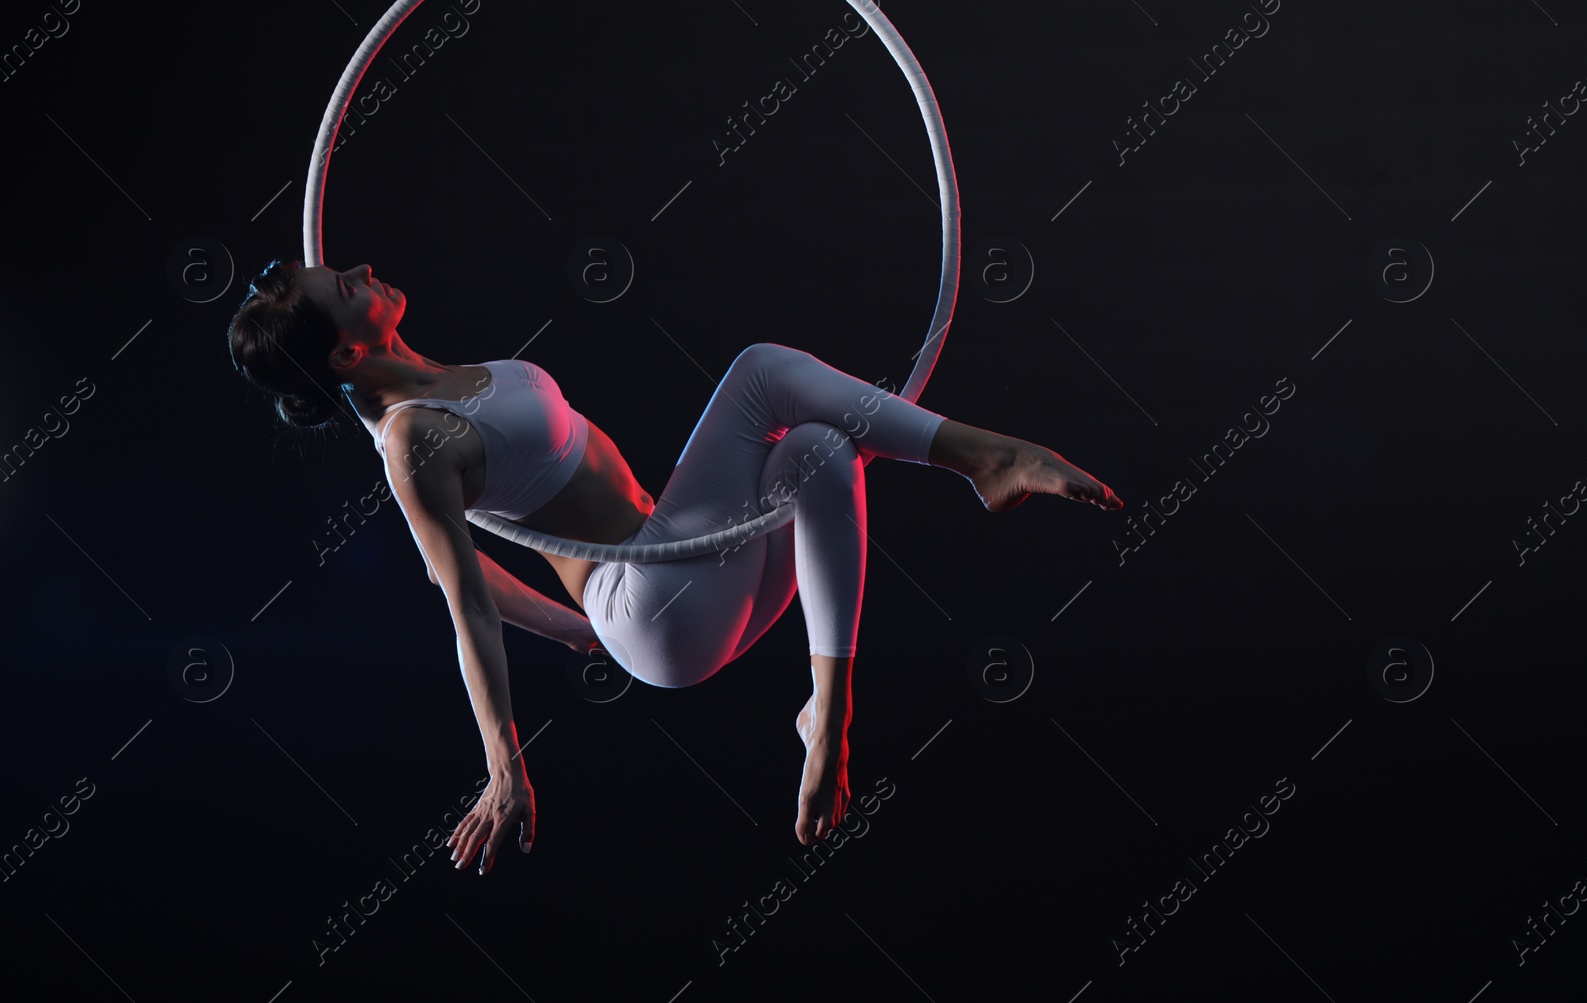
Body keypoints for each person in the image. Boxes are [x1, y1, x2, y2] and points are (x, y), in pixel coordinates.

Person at [227, 260, 1122, 871]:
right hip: (653, 594)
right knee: (764, 370)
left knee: (815, 449)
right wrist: (505, 764)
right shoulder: (411, 439)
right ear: (348, 352)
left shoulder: (419, 375)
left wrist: (572, 631)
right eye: (345, 284)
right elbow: (462, 600)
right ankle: (987, 458)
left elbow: (459, 573)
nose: (364, 267)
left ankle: (826, 712)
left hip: (675, 586)